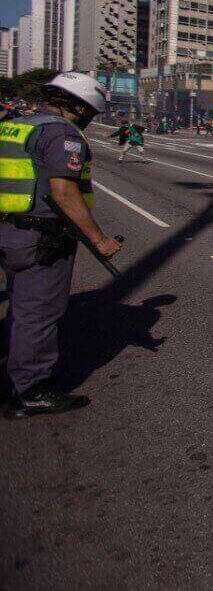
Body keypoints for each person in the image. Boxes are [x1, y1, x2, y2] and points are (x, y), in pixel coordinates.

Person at [1, 73, 122, 419]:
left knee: (20, 307)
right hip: (40, 236)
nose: (89, 119)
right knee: (38, 312)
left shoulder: (16, 126)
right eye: (89, 112)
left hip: (9, 229)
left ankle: (13, 373)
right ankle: (31, 390)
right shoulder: (62, 134)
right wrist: (99, 240)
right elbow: (64, 192)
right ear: (78, 106)